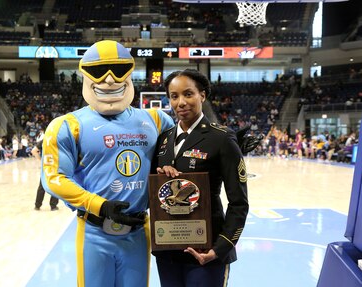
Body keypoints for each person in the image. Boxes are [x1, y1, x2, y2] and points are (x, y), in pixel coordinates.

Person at [41, 40, 175, 287]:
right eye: (99, 71)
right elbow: (53, 178)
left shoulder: (156, 119)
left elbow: (188, 150)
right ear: (84, 74)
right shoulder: (67, 126)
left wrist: (224, 142)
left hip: (138, 230)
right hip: (94, 232)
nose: (110, 80)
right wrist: (99, 205)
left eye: (118, 69)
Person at [151, 69, 249, 287]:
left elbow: (239, 203)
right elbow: (153, 192)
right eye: (174, 96)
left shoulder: (221, 138)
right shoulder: (163, 140)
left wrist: (220, 249)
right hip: (168, 252)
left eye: (188, 94)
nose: (181, 102)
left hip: (207, 251)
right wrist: (160, 180)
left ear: (202, 95)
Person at [33, 140, 59, 211]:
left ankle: (37, 205)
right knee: (55, 185)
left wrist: (40, 160)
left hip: (45, 166)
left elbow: (34, 151)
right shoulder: (56, 139)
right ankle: (53, 206)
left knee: (42, 186)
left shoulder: (44, 140)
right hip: (54, 165)